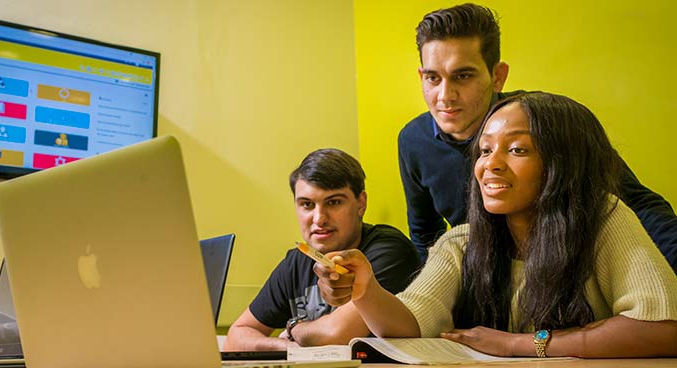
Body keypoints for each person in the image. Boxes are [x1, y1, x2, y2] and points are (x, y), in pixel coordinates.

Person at [316, 92, 677, 357]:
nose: (491, 164)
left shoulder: (605, 219)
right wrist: (366, 291)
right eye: (485, 150)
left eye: (517, 150)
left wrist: (518, 344)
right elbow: (410, 323)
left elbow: (662, 329)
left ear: (564, 163)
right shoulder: (461, 241)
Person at [398, 3, 677, 271]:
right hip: (486, 282)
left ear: (498, 76)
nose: (445, 96)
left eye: (463, 76)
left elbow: (638, 204)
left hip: (570, 274)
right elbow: (425, 235)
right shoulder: (412, 141)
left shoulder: (548, 120)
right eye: (433, 78)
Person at [224, 148, 420, 350]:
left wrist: (294, 329)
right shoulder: (296, 261)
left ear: (361, 203)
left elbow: (336, 334)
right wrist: (285, 347)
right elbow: (237, 335)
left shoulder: (389, 250)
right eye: (307, 205)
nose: (319, 219)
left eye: (334, 202)